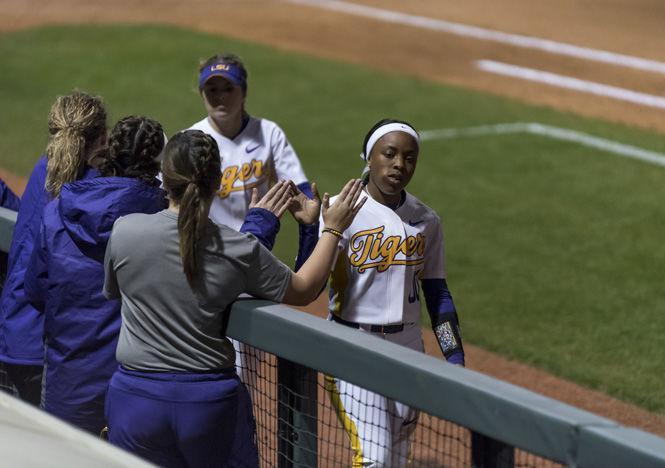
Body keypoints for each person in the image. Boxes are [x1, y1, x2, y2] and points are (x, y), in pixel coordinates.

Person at [103, 129, 365, 466]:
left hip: (135, 400)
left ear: (164, 180)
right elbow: (304, 289)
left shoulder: (124, 230)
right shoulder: (238, 248)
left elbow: (116, 293)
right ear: (218, 183)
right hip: (206, 404)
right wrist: (331, 228)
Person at [318, 119, 465, 467]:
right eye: (390, 154)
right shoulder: (341, 209)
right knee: (375, 458)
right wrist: (316, 230)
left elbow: (437, 293)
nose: (400, 164)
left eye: (410, 157)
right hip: (351, 343)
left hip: (408, 347)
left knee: (398, 456)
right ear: (369, 159)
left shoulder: (426, 220)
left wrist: (455, 357)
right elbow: (310, 275)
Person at [23, 116, 167, 434]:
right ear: (157, 166)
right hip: (133, 389)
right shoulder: (162, 221)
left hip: (67, 383)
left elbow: (34, 290)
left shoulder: (58, 210)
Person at [189, 52, 318, 386]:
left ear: (243, 92)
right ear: (202, 94)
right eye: (211, 90)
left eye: (227, 88)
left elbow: (301, 191)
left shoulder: (267, 133)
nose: (219, 97)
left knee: (244, 377)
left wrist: (312, 214)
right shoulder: (192, 140)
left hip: (253, 263)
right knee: (213, 366)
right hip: (209, 267)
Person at [0, 91, 107, 405]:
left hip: (13, 335)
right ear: (102, 137)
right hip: (49, 351)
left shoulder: (43, 169)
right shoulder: (95, 190)